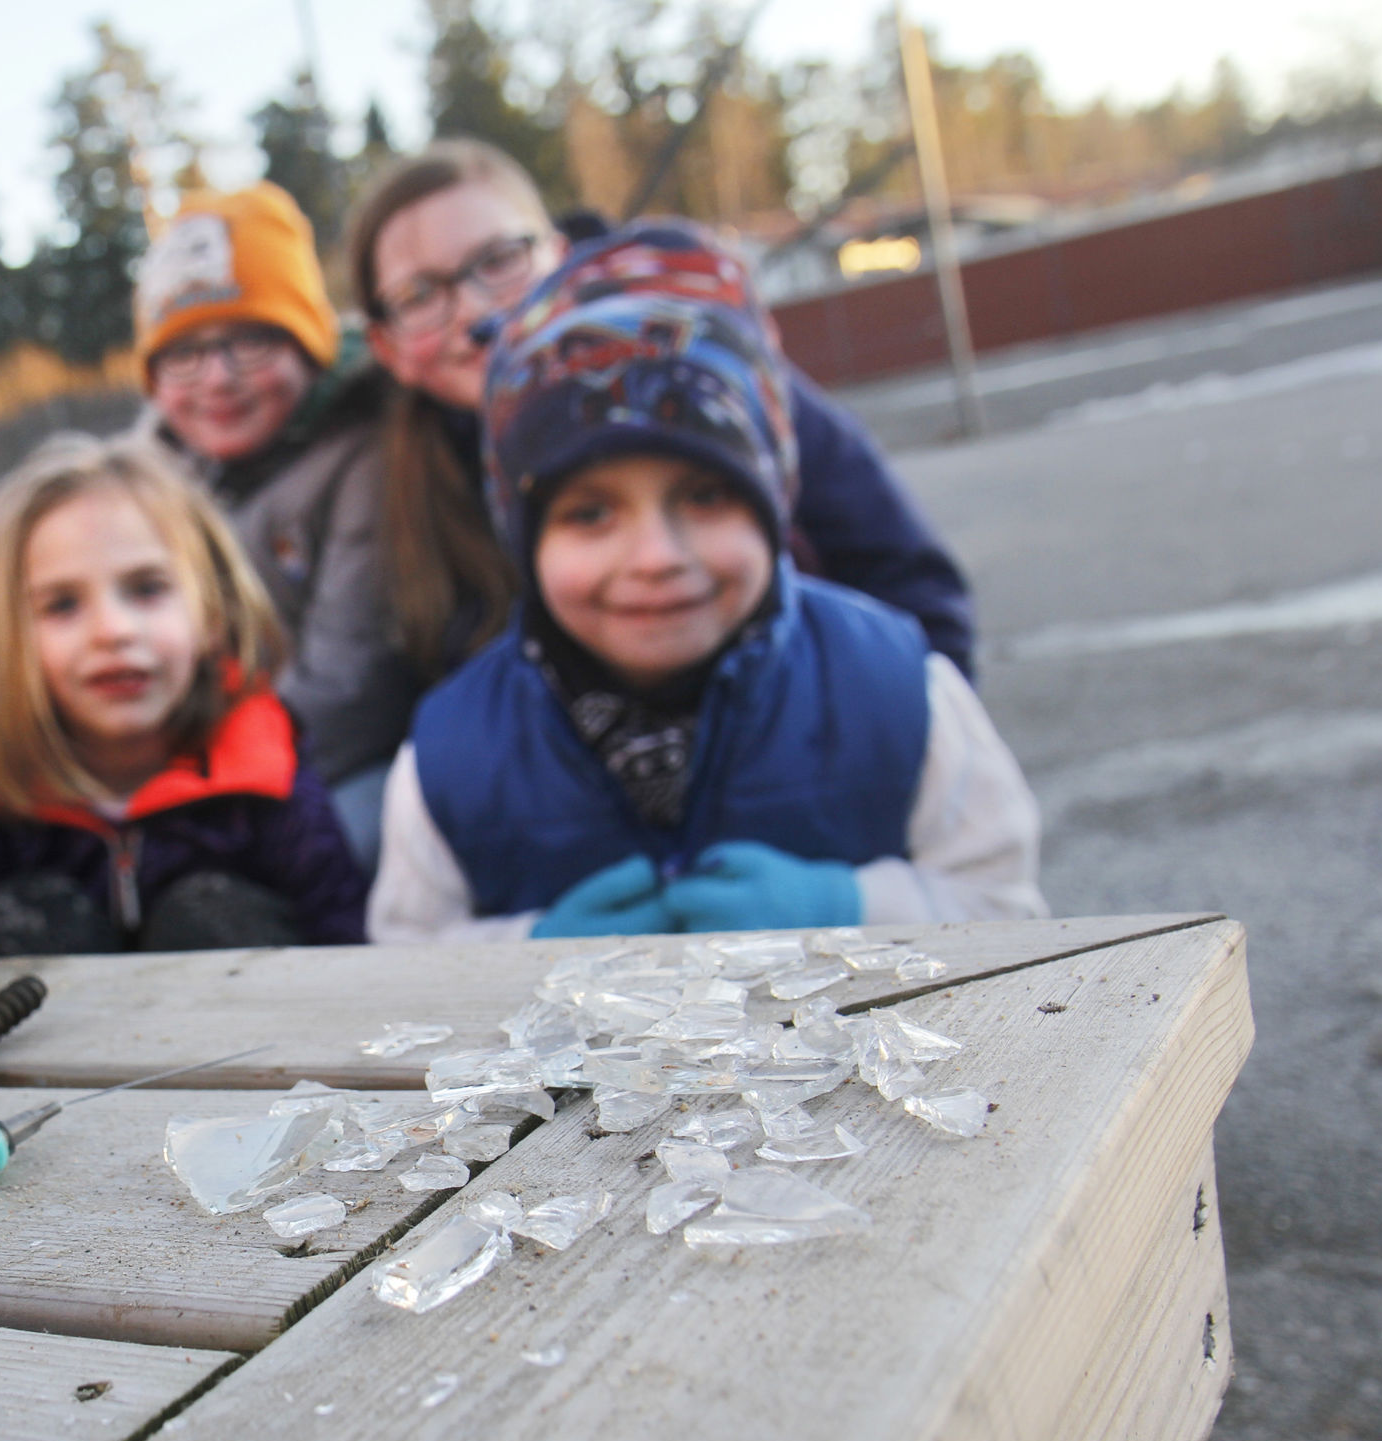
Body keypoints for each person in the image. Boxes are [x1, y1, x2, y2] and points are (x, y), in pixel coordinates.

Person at [368, 223, 1044, 943]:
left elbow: (1009, 911)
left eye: (706, 497)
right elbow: (408, 951)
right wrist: (525, 949)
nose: (657, 555)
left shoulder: (902, 691)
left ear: (775, 502)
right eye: (591, 514)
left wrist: (849, 905)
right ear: (523, 537)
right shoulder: (450, 755)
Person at [345, 139, 979, 686]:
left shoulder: (710, 371)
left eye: (499, 260)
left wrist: (902, 746)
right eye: (418, 295)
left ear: (560, 253)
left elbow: (910, 585)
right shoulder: (392, 487)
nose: (474, 312)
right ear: (385, 346)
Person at [0, 434, 367, 957]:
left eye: (148, 589)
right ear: (8, 639)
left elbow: (344, 946)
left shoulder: (266, 776)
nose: (113, 630)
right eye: (62, 605)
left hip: (248, 1033)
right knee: (24, 915)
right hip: (57, 1032)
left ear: (213, 613)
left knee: (212, 913)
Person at [131, 181, 402, 861]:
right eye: (184, 353)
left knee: (352, 835)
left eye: (250, 341)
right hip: (194, 762)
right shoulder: (146, 478)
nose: (218, 378)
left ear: (307, 344)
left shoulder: (366, 459)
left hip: (338, 762)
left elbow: (348, 689)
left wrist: (202, 785)